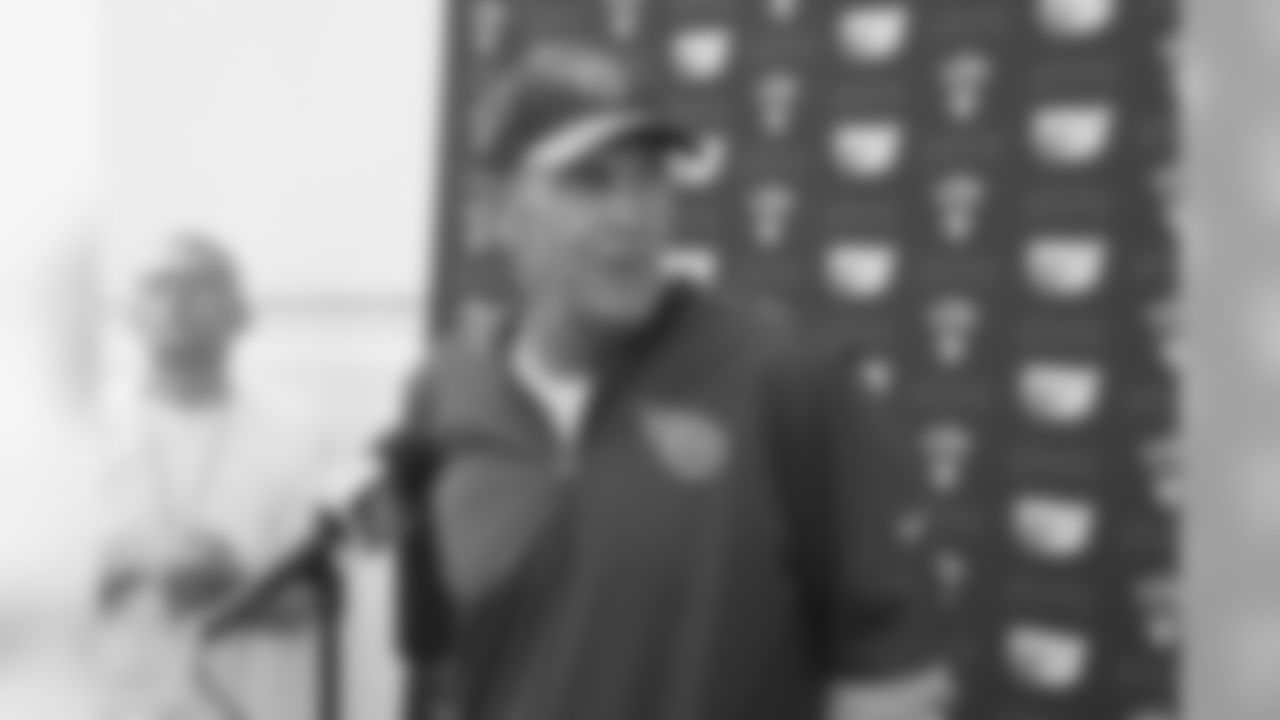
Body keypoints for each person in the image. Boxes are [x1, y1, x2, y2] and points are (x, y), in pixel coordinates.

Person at [379, 40, 954, 720]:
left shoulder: (793, 385)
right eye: (589, 180)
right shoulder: (444, 391)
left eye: (650, 177)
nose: (632, 216)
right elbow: (446, 662)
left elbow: (899, 683)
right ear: (497, 207)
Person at [98, 234, 341, 720]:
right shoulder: (82, 429)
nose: (177, 302)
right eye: (159, 286)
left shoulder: (297, 436)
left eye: (200, 285)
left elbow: (318, 602)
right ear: (129, 313)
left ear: (242, 314)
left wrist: (228, 590)